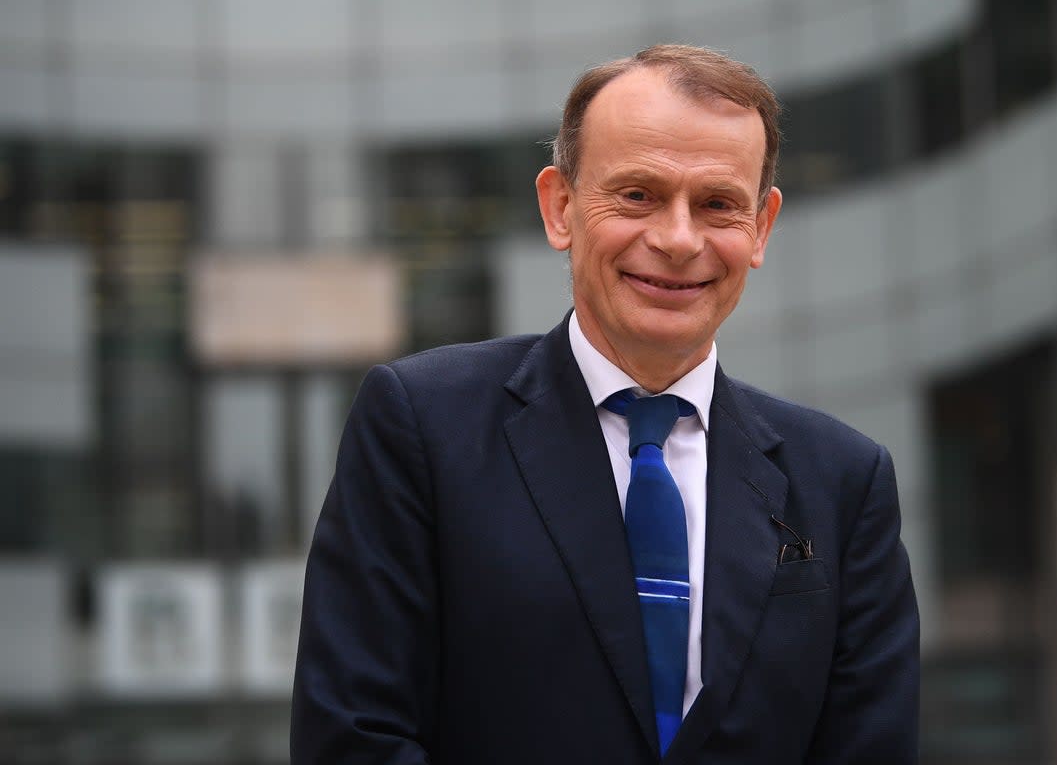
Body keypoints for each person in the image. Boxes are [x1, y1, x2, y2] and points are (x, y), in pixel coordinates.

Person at [291, 44, 919, 764]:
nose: (678, 240)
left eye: (717, 204)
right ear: (560, 207)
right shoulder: (422, 427)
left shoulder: (843, 482)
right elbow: (352, 740)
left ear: (762, 228)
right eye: (638, 195)